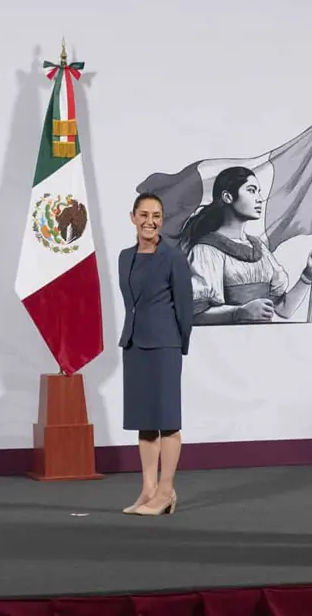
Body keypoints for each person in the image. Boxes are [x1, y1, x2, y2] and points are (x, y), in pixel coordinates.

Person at [118, 192, 193, 516]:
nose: (150, 221)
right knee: (144, 423)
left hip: (164, 346)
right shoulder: (124, 256)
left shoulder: (173, 257)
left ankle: (166, 492)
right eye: (144, 214)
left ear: (162, 220)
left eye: (156, 216)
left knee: (167, 422)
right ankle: (147, 490)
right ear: (133, 217)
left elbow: (185, 307)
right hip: (135, 345)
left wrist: (178, 347)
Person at [177, 166, 312, 324]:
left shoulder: (259, 248)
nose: (259, 198)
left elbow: (284, 309)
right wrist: (239, 312)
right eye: (251, 190)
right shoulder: (206, 250)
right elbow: (194, 314)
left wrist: (308, 274)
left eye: (258, 191)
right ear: (227, 197)